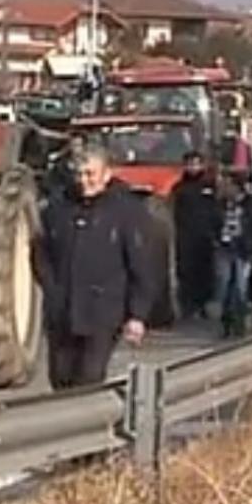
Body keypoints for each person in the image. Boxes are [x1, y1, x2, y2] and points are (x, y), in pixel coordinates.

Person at [32, 144, 155, 390]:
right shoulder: (57, 209)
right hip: (63, 312)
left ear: (106, 175)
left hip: (103, 312)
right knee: (61, 379)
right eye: (79, 174)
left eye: (90, 174)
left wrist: (137, 315)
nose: (84, 181)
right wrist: (51, 288)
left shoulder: (126, 211)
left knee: (89, 377)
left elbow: (141, 264)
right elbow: (40, 252)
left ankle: (88, 423)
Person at [171, 151, 219, 319]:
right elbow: (174, 211)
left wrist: (215, 231)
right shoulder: (179, 188)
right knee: (186, 271)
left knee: (205, 271)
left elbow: (216, 209)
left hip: (205, 235)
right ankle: (188, 306)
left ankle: (204, 304)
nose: (193, 167)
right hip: (185, 236)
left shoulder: (209, 185)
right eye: (190, 164)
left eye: (196, 164)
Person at [210, 173, 252, 337]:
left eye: (228, 184)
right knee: (223, 283)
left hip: (243, 250)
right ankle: (227, 321)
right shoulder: (220, 204)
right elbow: (213, 223)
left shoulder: (251, 204)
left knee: (239, 286)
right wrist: (215, 239)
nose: (224, 187)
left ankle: (239, 321)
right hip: (224, 248)